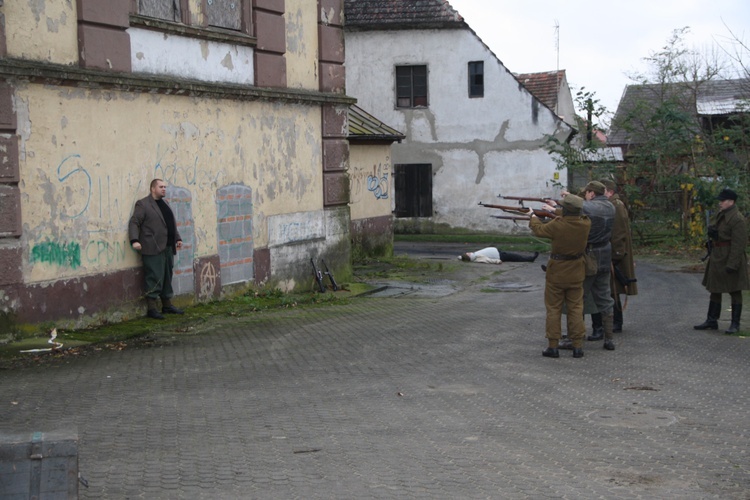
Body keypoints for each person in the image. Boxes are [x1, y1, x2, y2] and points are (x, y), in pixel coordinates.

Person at [548, 181, 616, 350]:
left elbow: (578, 209)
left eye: (587, 192)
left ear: (591, 193)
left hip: (589, 258)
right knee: (605, 299)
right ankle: (609, 339)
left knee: (577, 300)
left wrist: (562, 201)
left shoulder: (592, 207)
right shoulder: (610, 207)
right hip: (605, 256)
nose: (585, 195)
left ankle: (574, 338)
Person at [528, 195, 591, 359]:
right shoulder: (585, 223)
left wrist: (532, 217)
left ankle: (553, 346)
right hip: (577, 270)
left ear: (566, 210)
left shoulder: (557, 225)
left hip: (557, 271)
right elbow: (568, 216)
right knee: (576, 309)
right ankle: (577, 346)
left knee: (554, 308)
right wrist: (553, 210)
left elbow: (539, 230)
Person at [694, 188, 749, 334]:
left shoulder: (737, 219)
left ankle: (735, 324)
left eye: (722, 200)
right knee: (715, 288)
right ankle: (712, 320)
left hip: (730, 256)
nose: (720, 203)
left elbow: (739, 244)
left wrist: (733, 264)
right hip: (718, 255)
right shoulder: (722, 215)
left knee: (734, 290)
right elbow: (722, 233)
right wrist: (714, 235)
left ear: (731, 202)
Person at [128, 179, 184, 319]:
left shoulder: (165, 204)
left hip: (167, 247)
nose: (164, 189)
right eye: (161, 187)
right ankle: (152, 309)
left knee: (167, 276)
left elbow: (169, 224)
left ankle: (167, 305)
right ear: (153, 188)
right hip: (152, 247)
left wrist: (177, 238)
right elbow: (134, 222)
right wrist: (134, 240)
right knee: (154, 276)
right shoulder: (143, 204)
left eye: (165, 187)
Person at [589, 179, 638, 335]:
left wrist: (615, 257)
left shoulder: (615, 205)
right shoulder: (613, 204)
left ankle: (616, 323)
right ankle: (613, 323)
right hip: (612, 253)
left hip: (613, 255)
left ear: (607, 191)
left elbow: (618, 234)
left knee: (612, 290)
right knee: (610, 290)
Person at [458, 247, 539, 264]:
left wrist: (461, 257)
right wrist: (497, 261)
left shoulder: (474, 255)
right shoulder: (477, 258)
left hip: (498, 253)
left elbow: (460, 257)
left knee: (515, 257)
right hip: (500, 256)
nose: (468, 252)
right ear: (469, 257)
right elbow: (487, 260)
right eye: (467, 254)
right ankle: (530, 259)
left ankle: (529, 258)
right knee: (516, 257)